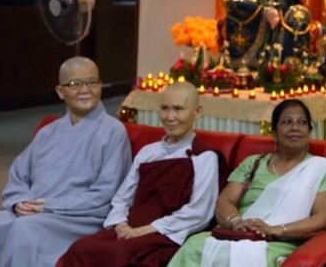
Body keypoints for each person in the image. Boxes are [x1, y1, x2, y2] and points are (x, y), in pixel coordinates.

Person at [0, 56, 132, 267]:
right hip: (37, 211)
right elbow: (19, 175)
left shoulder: (113, 131)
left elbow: (106, 193)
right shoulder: (48, 132)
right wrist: (19, 201)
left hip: (79, 219)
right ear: (60, 91)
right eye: (75, 84)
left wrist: (50, 206)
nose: (85, 90)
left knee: (23, 230)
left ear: (100, 85)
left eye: (92, 82)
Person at [168, 99, 326, 267]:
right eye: (287, 122)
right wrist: (237, 223)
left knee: (246, 255)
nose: (295, 128)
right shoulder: (253, 163)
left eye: (302, 122)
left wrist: (276, 229)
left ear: (309, 131)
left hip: (279, 241)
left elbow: (325, 217)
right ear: (274, 133)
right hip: (239, 233)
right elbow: (225, 201)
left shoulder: (321, 169)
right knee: (194, 246)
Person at [60, 82, 219, 266]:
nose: (170, 117)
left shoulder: (204, 157)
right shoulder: (148, 152)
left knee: (117, 254)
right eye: (165, 108)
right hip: (129, 228)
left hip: (167, 233)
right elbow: (122, 198)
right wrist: (120, 224)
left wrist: (145, 230)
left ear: (197, 112)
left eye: (178, 109)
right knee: (80, 247)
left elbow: (199, 211)